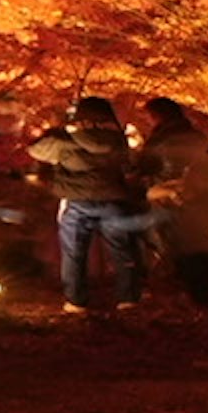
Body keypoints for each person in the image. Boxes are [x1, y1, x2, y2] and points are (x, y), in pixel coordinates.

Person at [31, 97, 156, 313]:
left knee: (74, 253)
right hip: (112, 199)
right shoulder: (118, 141)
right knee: (121, 250)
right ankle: (128, 298)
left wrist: (64, 133)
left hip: (76, 201)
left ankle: (76, 300)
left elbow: (35, 150)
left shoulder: (64, 141)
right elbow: (129, 166)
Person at [136, 98, 208, 309]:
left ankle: (189, 290)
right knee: (199, 240)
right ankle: (204, 290)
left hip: (168, 194)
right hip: (201, 194)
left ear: (157, 116)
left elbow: (145, 165)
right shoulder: (196, 135)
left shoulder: (159, 139)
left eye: (149, 116)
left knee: (175, 243)